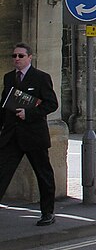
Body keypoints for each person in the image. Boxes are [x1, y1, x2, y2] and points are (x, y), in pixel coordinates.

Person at [0, 42, 59, 227]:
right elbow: (4, 104)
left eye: (20, 56)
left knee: (43, 175)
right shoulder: (9, 78)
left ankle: (48, 213)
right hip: (11, 136)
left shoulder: (41, 77)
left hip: (34, 135)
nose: (16, 59)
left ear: (30, 57)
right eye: (14, 56)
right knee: (2, 172)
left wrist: (29, 114)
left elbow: (51, 104)